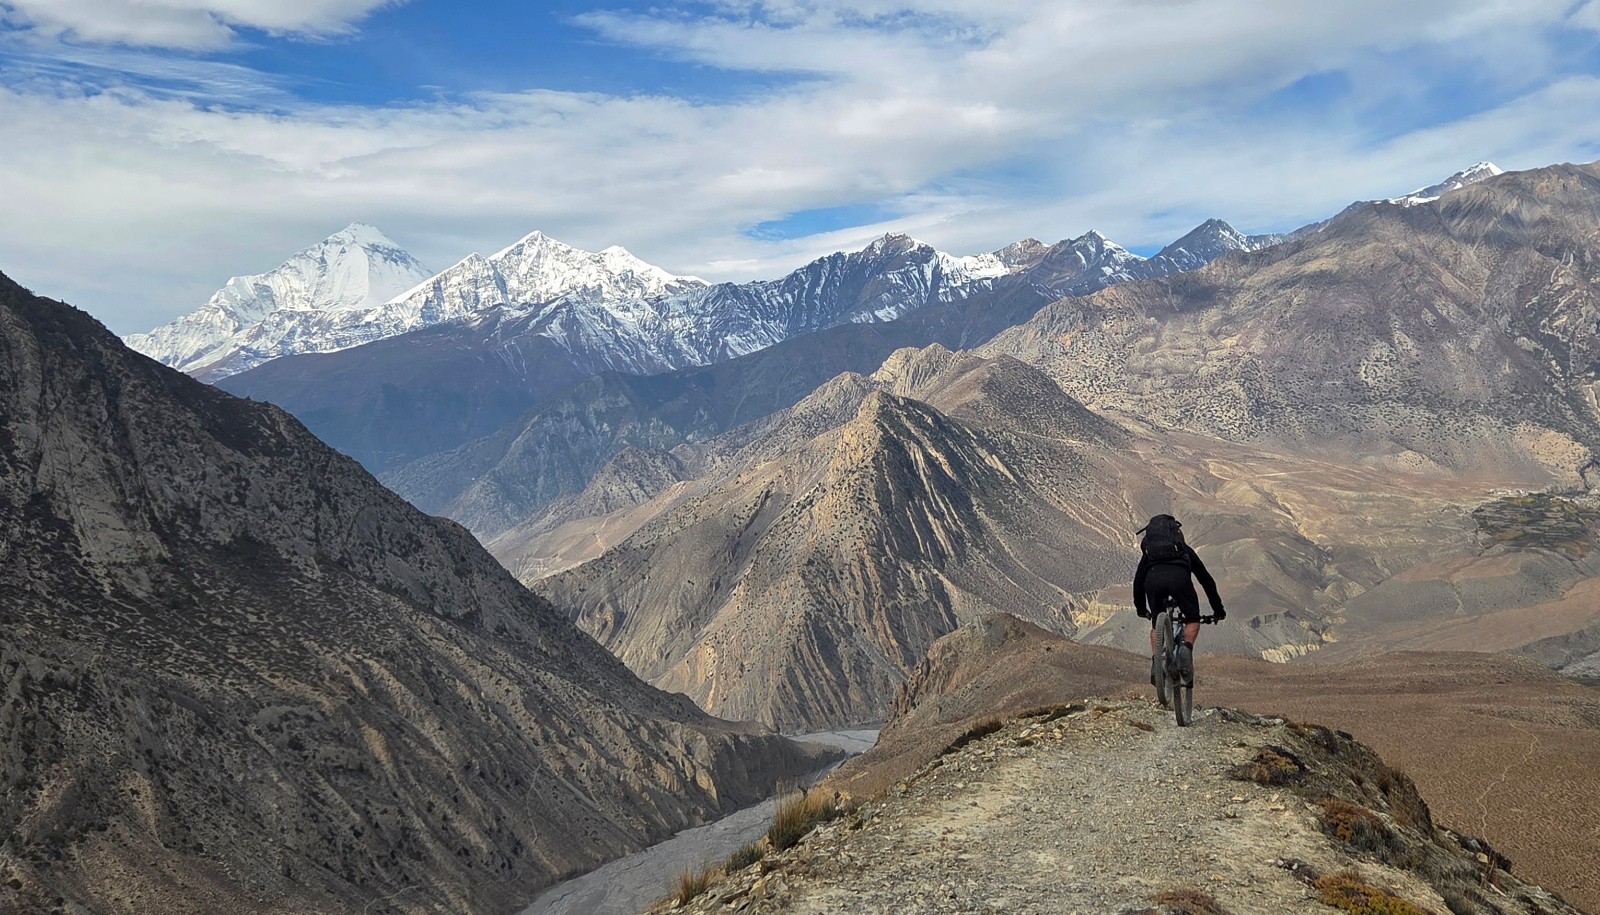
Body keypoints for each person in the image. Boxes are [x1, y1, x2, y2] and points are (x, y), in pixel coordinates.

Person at [1132, 514, 1224, 691]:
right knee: (1192, 621)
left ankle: (1156, 662)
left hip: (1153, 582)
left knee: (1155, 626)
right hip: (1179, 580)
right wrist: (1218, 609)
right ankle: (1186, 650)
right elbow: (1206, 580)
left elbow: (1138, 582)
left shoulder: (1148, 553)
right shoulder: (1183, 549)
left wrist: (1141, 609)